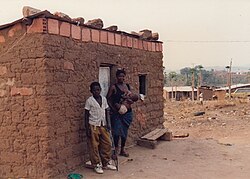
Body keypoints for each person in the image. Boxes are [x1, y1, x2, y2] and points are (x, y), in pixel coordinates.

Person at [84, 82, 116, 174]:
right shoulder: (89, 101)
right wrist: (87, 129)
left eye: (98, 89)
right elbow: (86, 116)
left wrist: (108, 123)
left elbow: (107, 111)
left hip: (103, 125)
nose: (96, 91)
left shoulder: (104, 99)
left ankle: (106, 162)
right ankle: (96, 164)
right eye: (94, 90)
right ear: (91, 91)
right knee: (94, 146)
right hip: (93, 126)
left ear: (100, 90)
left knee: (107, 144)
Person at [107, 68, 138, 157]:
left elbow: (132, 97)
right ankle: (116, 150)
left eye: (123, 76)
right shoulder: (113, 87)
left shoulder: (127, 86)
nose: (122, 78)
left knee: (124, 132)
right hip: (117, 113)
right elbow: (108, 99)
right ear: (117, 77)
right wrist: (113, 109)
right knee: (116, 132)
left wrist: (130, 101)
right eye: (120, 76)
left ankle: (122, 149)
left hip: (127, 113)